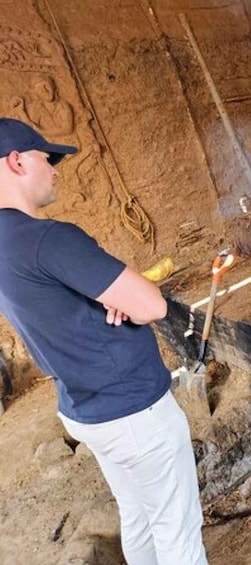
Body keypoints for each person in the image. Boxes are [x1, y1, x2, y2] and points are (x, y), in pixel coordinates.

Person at [0, 118, 207, 565]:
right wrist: (126, 299)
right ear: (17, 162)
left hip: (86, 409)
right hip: (132, 410)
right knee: (179, 532)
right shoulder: (49, 239)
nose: (55, 169)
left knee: (139, 517)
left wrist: (112, 299)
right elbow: (152, 304)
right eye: (46, 159)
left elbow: (64, 304)